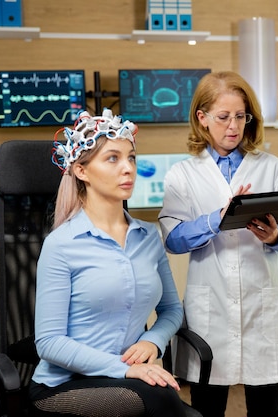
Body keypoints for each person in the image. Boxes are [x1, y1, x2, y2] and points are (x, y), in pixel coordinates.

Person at [158, 71, 278, 417]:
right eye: (224, 117)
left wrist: (275, 236)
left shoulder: (270, 167)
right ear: (202, 118)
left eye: (241, 116)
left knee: (268, 409)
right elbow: (173, 238)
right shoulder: (182, 174)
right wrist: (217, 219)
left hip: (263, 305)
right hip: (210, 308)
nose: (233, 126)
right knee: (208, 409)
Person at [29, 109, 187, 417]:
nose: (128, 168)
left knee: (159, 396)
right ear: (81, 171)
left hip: (128, 378)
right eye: (112, 158)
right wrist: (123, 369)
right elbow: (48, 342)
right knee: (162, 398)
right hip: (65, 385)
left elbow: (172, 310)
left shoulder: (148, 236)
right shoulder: (61, 244)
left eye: (131, 158)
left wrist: (153, 342)